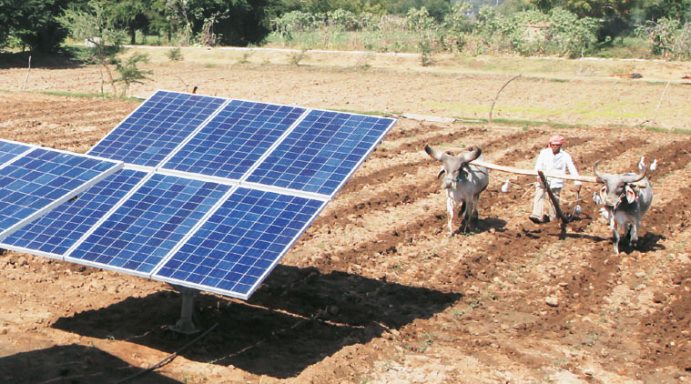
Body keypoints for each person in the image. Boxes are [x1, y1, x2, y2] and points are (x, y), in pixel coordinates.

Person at [529, 135, 582, 224]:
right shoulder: (544, 153)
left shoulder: (565, 156)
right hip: (543, 179)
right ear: (550, 145)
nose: (555, 147)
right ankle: (536, 215)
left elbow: (572, 169)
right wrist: (538, 177)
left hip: (556, 182)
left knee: (553, 201)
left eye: (557, 145)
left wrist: (577, 182)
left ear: (560, 146)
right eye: (553, 145)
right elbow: (538, 166)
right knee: (539, 195)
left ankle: (553, 219)